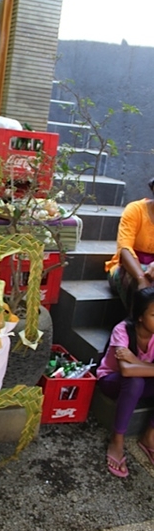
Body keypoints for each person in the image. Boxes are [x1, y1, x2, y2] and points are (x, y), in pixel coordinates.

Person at [96, 286, 154, 478]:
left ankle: (149, 437)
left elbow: (134, 367)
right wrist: (136, 366)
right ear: (140, 316)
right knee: (134, 380)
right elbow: (126, 371)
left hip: (143, 379)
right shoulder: (123, 330)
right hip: (112, 381)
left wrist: (136, 361)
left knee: (138, 378)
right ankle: (117, 440)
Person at [105, 177, 154, 310]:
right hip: (127, 267)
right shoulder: (135, 209)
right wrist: (140, 278)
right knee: (145, 286)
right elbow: (124, 249)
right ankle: (136, 326)